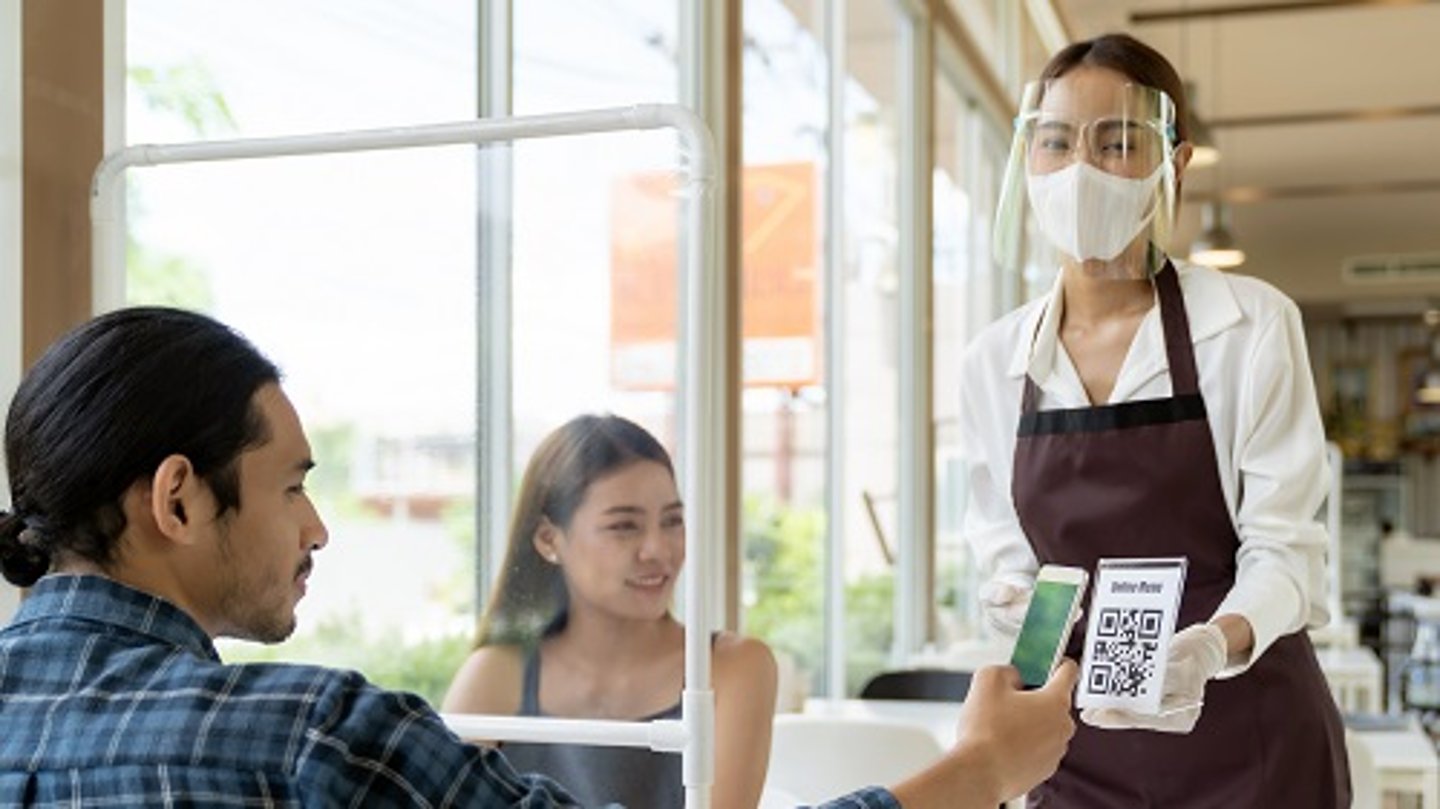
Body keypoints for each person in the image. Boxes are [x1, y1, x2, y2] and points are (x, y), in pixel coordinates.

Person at [0, 306, 1076, 808]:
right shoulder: (313, 738)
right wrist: (979, 768)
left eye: (673, 516)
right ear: (179, 498)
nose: (320, 527)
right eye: (292, 485)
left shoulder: (730, 665)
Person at [959, 32, 1350, 806]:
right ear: (1027, 163)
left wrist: (1209, 646)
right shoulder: (994, 362)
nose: (1081, 169)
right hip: (1073, 745)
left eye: (1118, 142)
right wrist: (1019, 607)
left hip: (1252, 741)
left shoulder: (1248, 325)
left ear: (1173, 164)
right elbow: (1019, 564)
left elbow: (1286, 553)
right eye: (1057, 142)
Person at [441, 414, 772, 808]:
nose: (658, 550)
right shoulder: (496, 674)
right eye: (624, 526)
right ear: (550, 539)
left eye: (672, 521)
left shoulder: (734, 668)